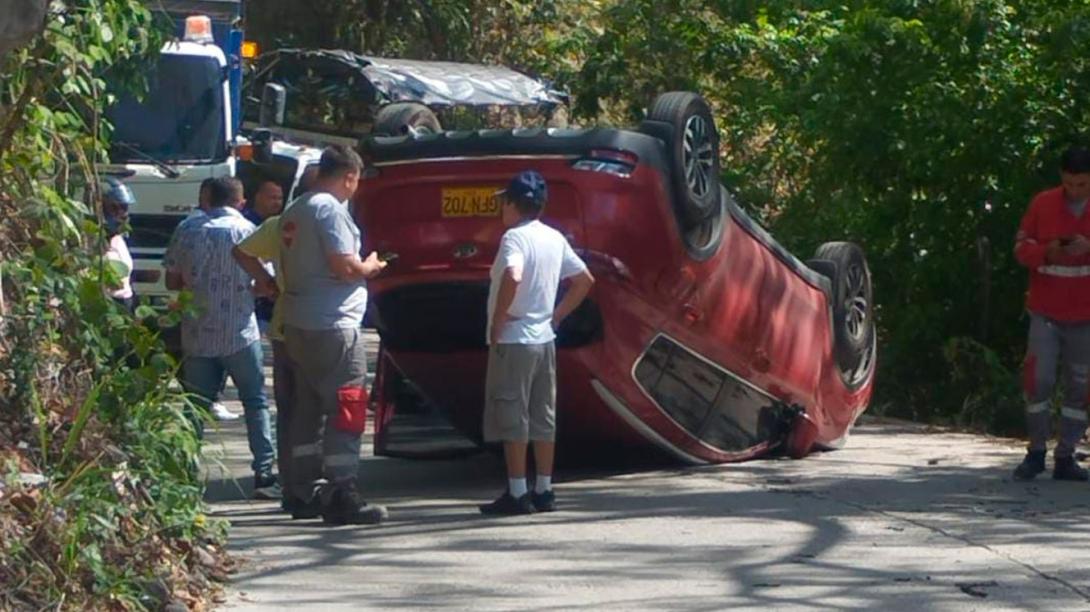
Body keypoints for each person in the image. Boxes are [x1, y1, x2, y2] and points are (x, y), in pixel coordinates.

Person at [279, 145, 388, 524]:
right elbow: (344, 266)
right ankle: (342, 491)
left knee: (307, 411)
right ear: (349, 176)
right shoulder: (330, 210)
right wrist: (370, 266)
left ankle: (301, 491)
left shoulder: (295, 210)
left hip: (299, 322)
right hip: (334, 324)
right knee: (347, 405)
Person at [479, 170, 595, 515]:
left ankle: (517, 492)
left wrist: (499, 319)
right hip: (545, 338)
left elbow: (513, 275)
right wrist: (557, 315)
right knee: (543, 414)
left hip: (515, 339)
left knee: (514, 413)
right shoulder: (554, 237)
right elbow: (584, 280)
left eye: (505, 203)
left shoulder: (514, 238)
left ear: (514, 205)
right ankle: (544, 488)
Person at [164, 176, 279, 499]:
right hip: (240, 332)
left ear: (208, 201)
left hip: (197, 333)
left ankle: (185, 474)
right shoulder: (249, 232)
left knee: (196, 405)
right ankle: (264, 473)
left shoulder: (187, 230)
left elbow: (172, 281)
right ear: (241, 202)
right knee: (255, 402)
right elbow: (266, 283)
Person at [1013, 145, 1090, 481]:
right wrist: (1048, 251)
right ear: (1062, 177)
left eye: (1083, 184)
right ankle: (1036, 451)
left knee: (1080, 386)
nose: (1075, 190)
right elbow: (1020, 249)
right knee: (1039, 381)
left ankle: (1066, 455)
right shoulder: (1042, 203)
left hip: (1085, 315)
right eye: (1071, 183)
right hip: (1045, 311)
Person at [232, 201, 295, 513]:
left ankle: (292, 480)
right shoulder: (337, 220)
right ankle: (272, 475)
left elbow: (241, 252)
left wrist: (269, 284)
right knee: (259, 403)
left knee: (289, 406)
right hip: (327, 322)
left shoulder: (280, 224)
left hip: (286, 323)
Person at [164, 178, 238, 422]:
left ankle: (191, 441)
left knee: (194, 390)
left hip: (194, 317)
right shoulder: (244, 228)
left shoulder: (188, 227)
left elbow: (171, 281)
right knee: (253, 396)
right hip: (233, 320)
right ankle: (262, 458)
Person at [100, 177, 135, 311]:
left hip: (124, 302)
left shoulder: (119, 239)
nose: (122, 214)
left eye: (124, 208)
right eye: (115, 208)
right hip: (105, 304)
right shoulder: (89, 241)